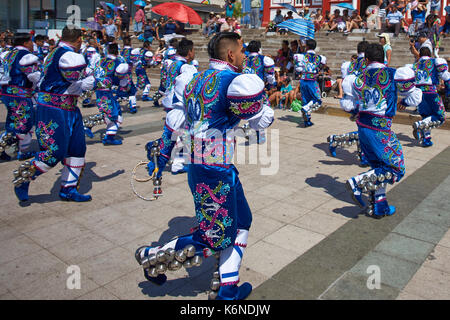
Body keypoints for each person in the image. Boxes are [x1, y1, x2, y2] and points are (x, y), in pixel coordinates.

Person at [135, 32, 274, 300]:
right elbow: (261, 121)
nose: (245, 55)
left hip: (202, 164)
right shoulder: (233, 82)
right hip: (215, 170)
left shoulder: (193, 79)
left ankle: (228, 285)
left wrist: (163, 154)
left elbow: (175, 121)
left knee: (242, 221)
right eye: (242, 50)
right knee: (214, 236)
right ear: (231, 54)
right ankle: (149, 256)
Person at [12, 27, 97, 202]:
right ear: (79, 40)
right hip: (54, 109)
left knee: (77, 149)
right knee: (53, 152)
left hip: (69, 107)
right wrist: (90, 81)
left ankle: (68, 189)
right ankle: (23, 177)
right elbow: (76, 80)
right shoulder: (68, 55)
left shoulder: (54, 52)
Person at [341, 43, 422, 218]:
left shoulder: (357, 77)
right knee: (395, 168)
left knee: (378, 167)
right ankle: (357, 183)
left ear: (367, 60)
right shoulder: (393, 74)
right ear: (384, 58)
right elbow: (413, 98)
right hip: (381, 129)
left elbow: (349, 106)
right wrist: (405, 103)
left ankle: (379, 206)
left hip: (363, 127)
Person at [0, 33, 41, 161]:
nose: (32, 44)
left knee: (13, 121)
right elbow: (34, 76)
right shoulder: (27, 56)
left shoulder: (6, 54)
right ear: (25, 43)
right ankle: (21, 151)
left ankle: (8, 147)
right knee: (26, 123)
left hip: (6, 92)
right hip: (20, 93)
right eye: (30, 41)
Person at [328, 41, 370, 166]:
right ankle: (337, 141)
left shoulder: (350, 64)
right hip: (362, 101)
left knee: (364, 129)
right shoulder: (367, 63)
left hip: (351, 101)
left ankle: (362, 155)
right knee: (365, 130)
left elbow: (345, 80)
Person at [161, 38, 196, 174]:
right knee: (182, 133)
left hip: (170, 100)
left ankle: (178, 162)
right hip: (179, 103)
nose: (194, 53)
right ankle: (175, 161)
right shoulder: (185, 67)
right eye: (193, 50)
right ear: (189, 52)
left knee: (180, 134)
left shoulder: (171, 64)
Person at [407, 47, 450, 147]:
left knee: (427, 116)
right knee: (440, 117)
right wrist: (448, 90)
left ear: (420, 55)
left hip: (418, 95)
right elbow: (445, 76)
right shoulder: (434, 61)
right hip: (431, 92)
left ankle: (426, 139)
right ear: (430, 54)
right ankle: (419, 125)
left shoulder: (415, 65)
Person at [293, 39, 326, 127]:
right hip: (312, 81)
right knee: (317, 100)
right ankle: (306, 109)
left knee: (305, 100)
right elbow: (320, 67)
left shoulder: (300, 56)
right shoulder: (320, 58)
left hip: (303, 80)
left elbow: (297, 69)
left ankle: (307, 121)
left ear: (306, 46)